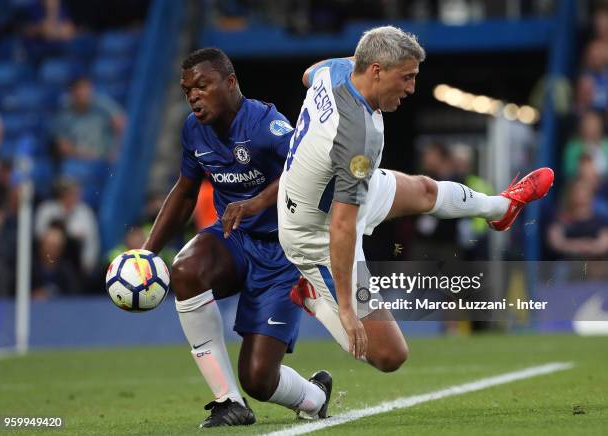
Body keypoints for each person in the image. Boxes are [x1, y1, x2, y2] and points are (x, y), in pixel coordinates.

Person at [277, 26, 554, 366]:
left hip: (330, 190)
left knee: (423, 191)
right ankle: (313, 296)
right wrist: (345, 309)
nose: (411, 88)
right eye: (406, 77)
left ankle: (502, 207)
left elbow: (309, 75)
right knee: (390, 355)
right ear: (376, 71)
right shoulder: (357, 136)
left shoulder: (335, 71)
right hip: (316, 232)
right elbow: (342, 227)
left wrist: (363, 58)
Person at [142, 48, 331, 428]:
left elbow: (307, 167)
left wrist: (256, 202)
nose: (193, 95)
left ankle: (315, 395)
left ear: (230, 83)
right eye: (187, 90)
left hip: (284, 253)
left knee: (259, 379)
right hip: (235, 239)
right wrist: (146, 255)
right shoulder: (193, 130)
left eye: (202, 85)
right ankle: (228, 401)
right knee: (185, 269)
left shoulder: (266, 124)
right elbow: (184, 191)